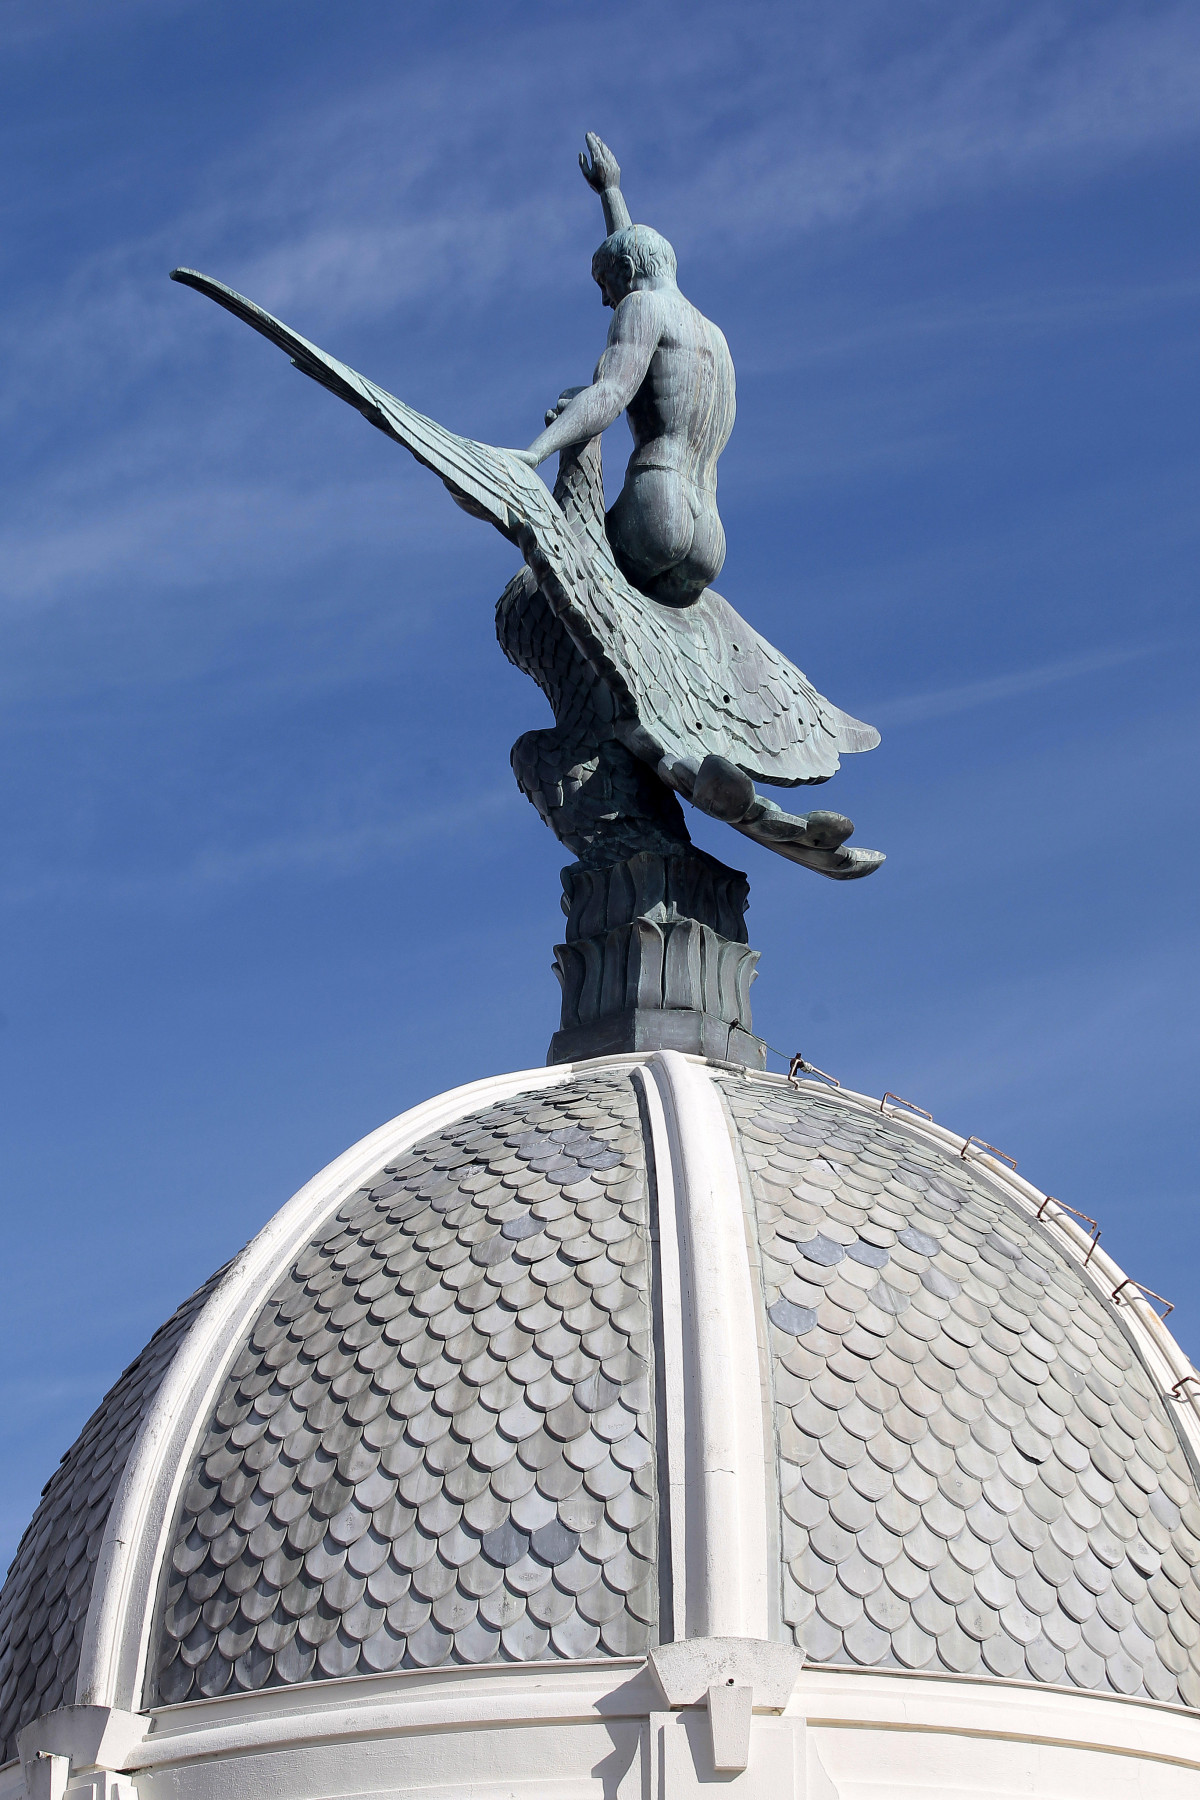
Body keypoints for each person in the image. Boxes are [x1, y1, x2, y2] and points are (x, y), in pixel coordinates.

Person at [511, 134, 734, 607]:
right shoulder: (714, 337)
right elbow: (629, 253)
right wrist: (611, 192)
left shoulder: (641, 306)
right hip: (709, 535)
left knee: (543, 588)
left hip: (657, 508)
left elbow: (610, 395)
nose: (604, 299)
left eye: (605, 284)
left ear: (628, 273)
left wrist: (532, 456)